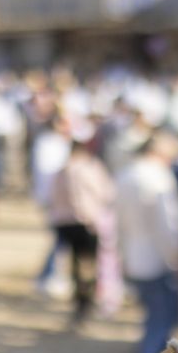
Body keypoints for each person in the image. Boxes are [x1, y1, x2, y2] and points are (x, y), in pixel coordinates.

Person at [116, 130, 178, 353]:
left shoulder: (126, 174)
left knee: (152, 319)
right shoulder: (158, 178)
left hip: (136, 255)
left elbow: (119, 223)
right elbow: (166, 226)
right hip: (156, 259)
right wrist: (177, 259)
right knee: (161, 321)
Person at [47, 129, 115, 326]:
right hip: (86, 222)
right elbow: (106, 193)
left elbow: (52, 197)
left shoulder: (61, 171)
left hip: (65, 222)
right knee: (89, 263)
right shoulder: (89, 168)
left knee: (76, 262)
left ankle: (81, 298)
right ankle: (86, 299)